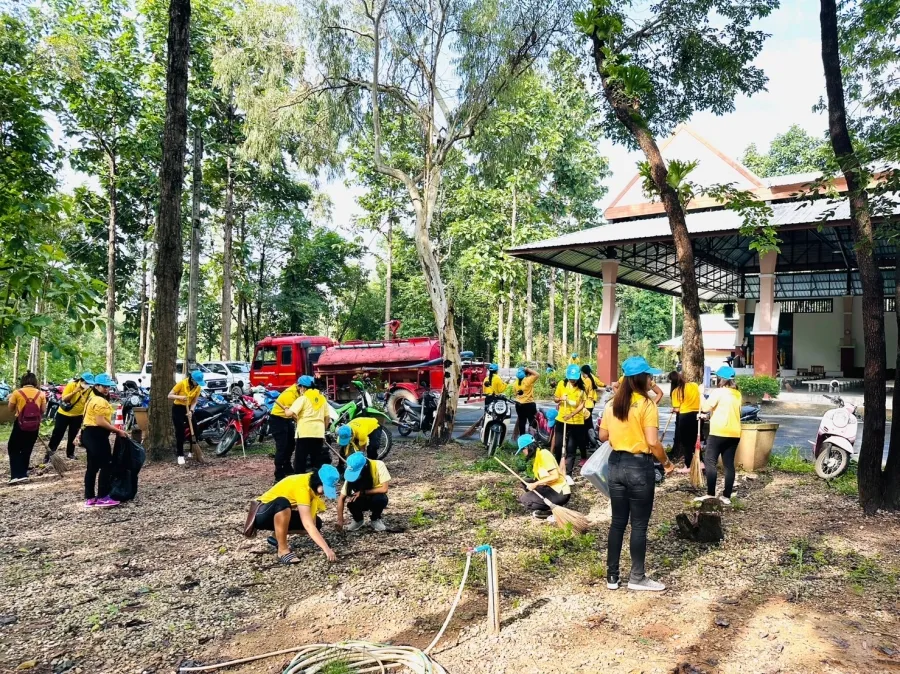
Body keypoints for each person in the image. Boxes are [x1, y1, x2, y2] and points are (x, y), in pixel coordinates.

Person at [598, 356, 675, 592]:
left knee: (617, 523)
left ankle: (612, 577)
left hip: (615, 465)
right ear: (641, 379)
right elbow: (653, 442)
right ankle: (637, 577)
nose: (651, 379)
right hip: (639, 467)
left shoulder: (612, 404)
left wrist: (621, 435)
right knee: (639, 525)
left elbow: (602, 436)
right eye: (649, 376)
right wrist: (666, 463)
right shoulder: (646, 405)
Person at [252, 465, 340, 564]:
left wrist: (322, 543)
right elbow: (308, 524)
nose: (324, 493)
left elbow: (311, 523)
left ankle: (276, 536)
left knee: (317, 523)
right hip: (261, 514)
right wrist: (326, 549)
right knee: (282, 503)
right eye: (325, 488)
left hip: (278, 514)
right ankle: (282, 550)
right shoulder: (302, 487)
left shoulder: (311, 486)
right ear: (318, 482)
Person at [82, 373, 128, 508]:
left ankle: (90, 497)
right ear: (96, 386)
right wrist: (117, 430)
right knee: (106, 465)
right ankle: (102, 496)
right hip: (96, 435)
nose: (107, 389)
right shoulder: (100, 401)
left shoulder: (91, 398)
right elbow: (100, 421)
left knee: (92, 467)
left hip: (89, 434)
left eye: (108, 387)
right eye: (104, 386)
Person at [699, 365, 743, 506]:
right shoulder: (737, 394)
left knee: (710, 461)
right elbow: (727, 411)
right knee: (729, 464)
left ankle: (710, 493)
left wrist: (700, 394)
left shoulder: (718, 392)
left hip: (718, 432)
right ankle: (726, 496)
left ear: (720, 379)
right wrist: (708, 416)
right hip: (735, 433)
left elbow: (705, 407)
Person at [515, 434, 570, 520]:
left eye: (522, 450)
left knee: (525, 499)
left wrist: (536, 484)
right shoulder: (537, 456)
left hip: (559, 491)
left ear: (527, 447)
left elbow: (555, 476)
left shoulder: (544, 455)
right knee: (525, 482)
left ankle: (550, 510)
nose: (523, 453)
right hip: (549, 486)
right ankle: (543, 503)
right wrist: (535, 483)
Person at [336, 450, 392, 532]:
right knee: (351, 503)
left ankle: (375, 519)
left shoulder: (378, 465)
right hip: (360, 498)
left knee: (380, 499)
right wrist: (340, 520)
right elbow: (341, 498)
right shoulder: (351, 472)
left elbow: (384, 489)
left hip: (374, 496)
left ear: (365, 466)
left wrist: (363, 492)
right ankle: (358, 520)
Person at [6, 372, 46, 484]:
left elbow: (10, 409)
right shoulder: (41, 394)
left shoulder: (17, 393)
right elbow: (43, 410)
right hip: (34, 425)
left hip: (20, 424)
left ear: (23, 381)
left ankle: (15, 475)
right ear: (35, 382)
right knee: (27, 449)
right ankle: (23, 474)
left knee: (13, 448)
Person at [286, 376, 331, 473]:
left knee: (300, 459)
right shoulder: (322, 398)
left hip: (304, 432)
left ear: (303, 387)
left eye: (299, 387)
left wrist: (286, 409)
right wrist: (323, 430)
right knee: (317, 459)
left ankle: (299, 478)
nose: (299, 389)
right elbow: (327, 418)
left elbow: (289, 414)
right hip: (318, 432)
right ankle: (317, 479)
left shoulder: (303, 398)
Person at [47, 371, 94, 461]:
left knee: (73, 435)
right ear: (81, 380)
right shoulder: (72, 385)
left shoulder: (89, 390)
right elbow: (64, 398)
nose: (87, 385)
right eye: (86, 383)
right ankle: (49, 454)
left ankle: (70, 453)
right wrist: (74, 392)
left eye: (89, 383)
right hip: (64, 414)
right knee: (57, 434)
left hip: (78, 415)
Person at [553, 364, 587, 479]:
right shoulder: (562, 384)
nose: (572, 380)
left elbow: (582, 404)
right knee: (558, 445)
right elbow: (555, 399)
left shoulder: (582, 388)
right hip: (562, 419)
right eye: (570, 378)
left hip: (576, 421)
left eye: (574, 378)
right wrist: (560, 399)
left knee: (571, 448)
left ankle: (568, 474)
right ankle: (557, 469)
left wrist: (572, 414)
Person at [168, 370, 204, 465]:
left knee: (195, 429)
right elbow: (169, 395)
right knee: (180, 431)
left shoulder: (198, 387)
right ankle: (180, 455)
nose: (198, 384)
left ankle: (192, 451)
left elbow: (194, 401)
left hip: (188, 409)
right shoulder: (182, 384)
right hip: (178, 408)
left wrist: (191, 411)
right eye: (197, 382)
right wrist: (180, 397)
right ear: (192, 379)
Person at [270, 378, 302, 481]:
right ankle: (278, 473)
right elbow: (293, 414)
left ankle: (287, 466)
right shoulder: (290, 394)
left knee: (291, 444)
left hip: (287, 420)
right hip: (278, 420)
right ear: (299, 386)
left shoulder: (300, 392)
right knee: (282, 447)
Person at [668, 371, 701, 469]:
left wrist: (673, 410)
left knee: (686, 443)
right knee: (696, 440)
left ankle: (688, 465)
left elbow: (677, 409)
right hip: (698, 415)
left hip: (685, 417)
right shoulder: (694, 385)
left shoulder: (676, 391)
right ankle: (700, 462)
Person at [513, 367, 539, 438]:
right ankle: (532, 438)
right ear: (526, 374)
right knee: (532, 422)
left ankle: (522, 438)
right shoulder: (528, 380)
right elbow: (537, 374)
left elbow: (515, 394)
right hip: (529, 404)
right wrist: (527, 369)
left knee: (522, 422)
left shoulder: (515, 383)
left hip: (519, 405)